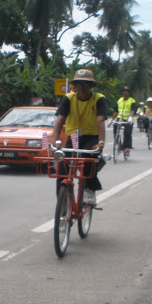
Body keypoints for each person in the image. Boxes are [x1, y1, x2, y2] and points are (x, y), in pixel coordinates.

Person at [50, 69, 107, 206]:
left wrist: (101, 142)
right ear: (75, 85)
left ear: (92, 86)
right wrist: (54, 141)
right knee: (63, 166)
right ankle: (62, 202)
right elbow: (60, 120)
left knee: (88, 161)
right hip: (74, 137)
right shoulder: (69, 98)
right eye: (79, 84)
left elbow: (100, 121)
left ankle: (90, 190)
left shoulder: (98, 99)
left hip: (92, 137)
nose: (82, 87)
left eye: (86, 84)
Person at [111, 86, 135, 156]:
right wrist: (112, 119)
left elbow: (133, 110)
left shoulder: (132, 101)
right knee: (115, 126)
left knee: (127, 132)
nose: (125, 92)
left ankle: (126, 148)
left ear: (129, 93)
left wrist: (130, 117)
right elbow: (116, 111)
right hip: (120, 118)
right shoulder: (119, 100)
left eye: (127, 91)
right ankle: (118, 142)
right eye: (124, 91)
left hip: (128, 119)